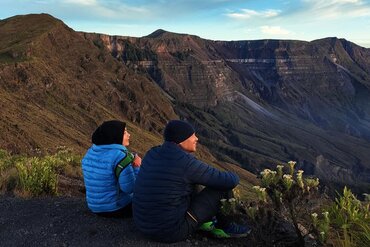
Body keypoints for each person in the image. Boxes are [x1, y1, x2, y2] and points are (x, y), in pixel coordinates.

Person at [133, 120, 250, 243]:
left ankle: (206, 221)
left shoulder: (152, 153)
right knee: (222, 189)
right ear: (181, 140)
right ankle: (225, 227)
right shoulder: (185, 163)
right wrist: (234, 174)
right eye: (192, 135)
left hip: (142, 225)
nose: (196, 138)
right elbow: (229, 181)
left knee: (188, 183)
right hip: (171, 231)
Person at [82, 120, 141, 217]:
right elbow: (130, 188)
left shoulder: (90, 153)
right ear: (116, 136)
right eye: (125, 132)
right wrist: (136, 166)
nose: (129, 135)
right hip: (117, 208)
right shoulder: (121, 157)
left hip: (94, 208)